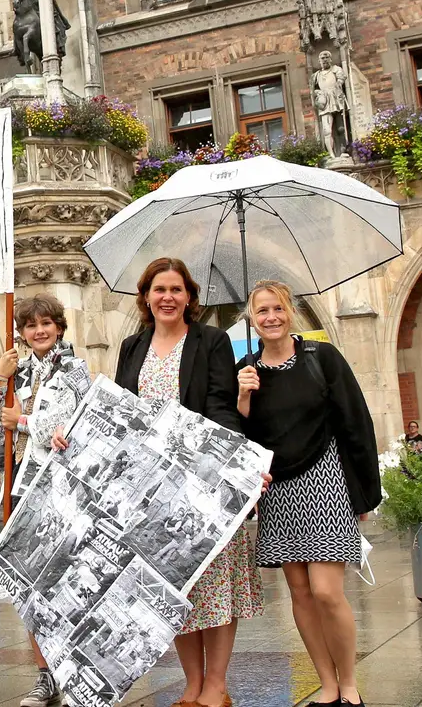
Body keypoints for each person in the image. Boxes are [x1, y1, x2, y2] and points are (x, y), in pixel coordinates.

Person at [114, 258, 262, 707]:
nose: (167, 297)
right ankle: (192, 683)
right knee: (176, 588)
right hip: (152, 487)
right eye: (159, 289)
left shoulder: (211, 341)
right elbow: (122, 409)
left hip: (204, 479)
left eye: (176, 289)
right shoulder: (131, 346)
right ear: (146, 296)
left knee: (215, 583)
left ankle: (216, 684)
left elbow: (220, 403)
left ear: (189, 297)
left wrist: (225, 459)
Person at [236, 280, 379, 707]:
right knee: (299, 594)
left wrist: (365, 494)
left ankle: (349, 684)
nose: (271, 317)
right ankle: (327, 685)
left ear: (290, 312)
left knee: (326, 592)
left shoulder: (322, 358)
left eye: (277, 308)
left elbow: (356, 420)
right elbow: (245, 440)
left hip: (326, 480)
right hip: (279, 489)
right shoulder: (247, 370)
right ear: (252, 319)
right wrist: (242, 398)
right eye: (262, 311)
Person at [0, 294, 85, 707]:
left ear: (58, 326)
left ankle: (72, 670)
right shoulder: (17, 374)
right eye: (30, 325)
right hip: (21, 487)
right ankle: (45, 675)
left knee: (64, 585)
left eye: (46, 323)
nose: (39, 331)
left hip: (61, 490)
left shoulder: (74, 369)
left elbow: (68, 426)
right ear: (20, 333)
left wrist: (22, 421)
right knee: (29, 590)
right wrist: (1, 380)